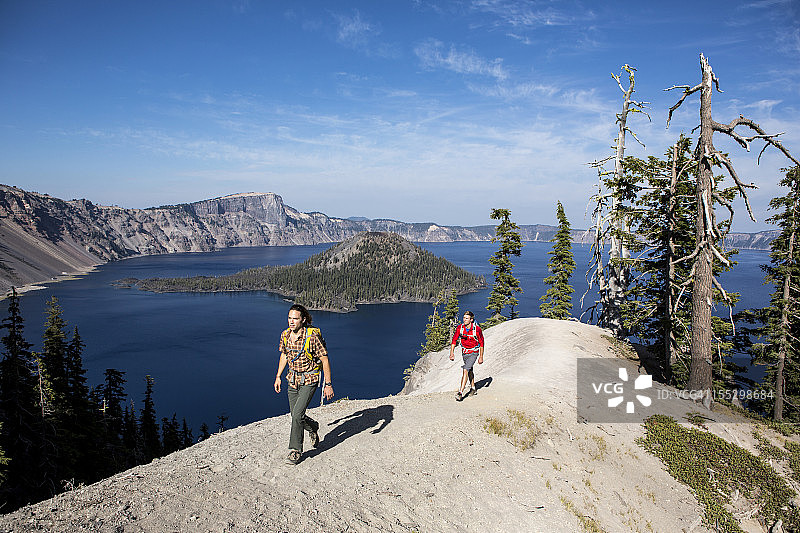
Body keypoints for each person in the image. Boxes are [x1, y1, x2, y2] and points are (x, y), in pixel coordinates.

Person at [274, 304, 334, 465]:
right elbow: (284, 356)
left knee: (297, 414)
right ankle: (313, 426)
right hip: (292, 380)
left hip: (309, 380)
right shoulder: (285, 335)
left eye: (295, 318)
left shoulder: (312, 338)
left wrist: (328, 384)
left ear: (303, 319)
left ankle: (295, 450)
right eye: (289, 318)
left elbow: (324, 359)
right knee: (295, 415)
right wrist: (278, 376)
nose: (291, 322)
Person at [449, 310, 484, 401]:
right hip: (464, 352)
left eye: (467, 318)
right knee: (469, 370)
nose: (464, 320)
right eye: (464, 318)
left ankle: (460, 392)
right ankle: (473, 388)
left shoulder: (477, 330)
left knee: (465, 370)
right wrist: (452, 353)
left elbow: (481, 343)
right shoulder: (460, 328)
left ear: (471, 320)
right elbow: (454, 340)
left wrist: (480, 356)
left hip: (474, 352)